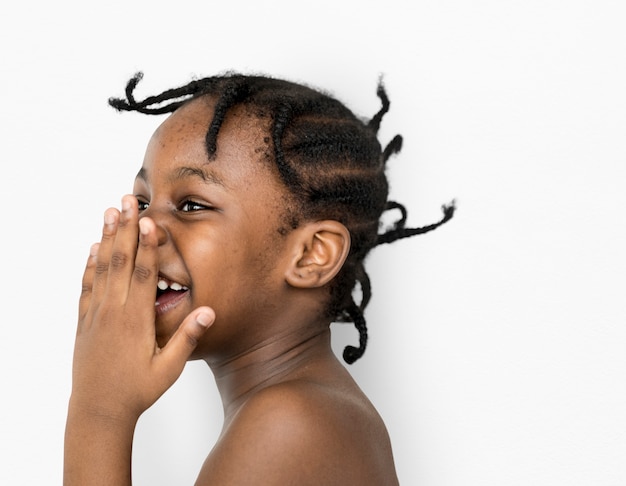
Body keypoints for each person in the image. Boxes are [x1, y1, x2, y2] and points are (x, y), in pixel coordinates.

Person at [63, 72, 455, 485]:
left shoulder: (290, 422)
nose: (144, 227)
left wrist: (99, 409)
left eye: (192, 205)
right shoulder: (305, 410)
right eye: (142, 201)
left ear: (311, 255)